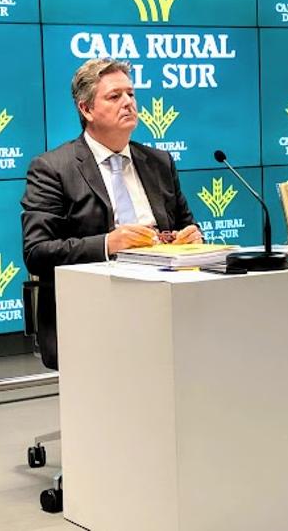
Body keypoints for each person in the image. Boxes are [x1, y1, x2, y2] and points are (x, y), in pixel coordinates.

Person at [21, 58, 201, 367]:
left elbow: (186, 225)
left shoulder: (159, 162)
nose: (129, 103)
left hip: (167, 303)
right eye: (115, 96)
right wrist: (108, 244)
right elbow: (37, 251)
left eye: (131, 94)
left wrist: (191, 237)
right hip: (94, 309)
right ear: (86, 109)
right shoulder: (53, 169)